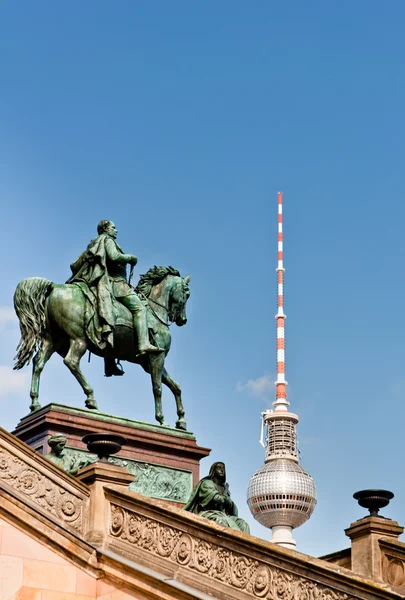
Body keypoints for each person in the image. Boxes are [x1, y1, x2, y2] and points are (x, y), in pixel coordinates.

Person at [68, 220, 161, 376]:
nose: (116, 230)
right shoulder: (107, 240)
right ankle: (144, 344)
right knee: (139, 308)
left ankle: (110, 363)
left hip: (107, 285)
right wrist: (130, 257)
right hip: (117, 285)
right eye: (113, 228)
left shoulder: (95, 243)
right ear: (105, 229)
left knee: (110, 318)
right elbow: (114, 256)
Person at [184, 462, 250, 533]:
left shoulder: (224, 488)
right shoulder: (206, 483)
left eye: (223, 468)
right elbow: (217, 499)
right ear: (213, 471)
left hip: (222, 514)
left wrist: (229, 503)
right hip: (207, 513)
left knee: (243, 524)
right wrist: (225, 500)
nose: (222, 470)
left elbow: (230, 505)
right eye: (219, 468)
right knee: (222, 521)